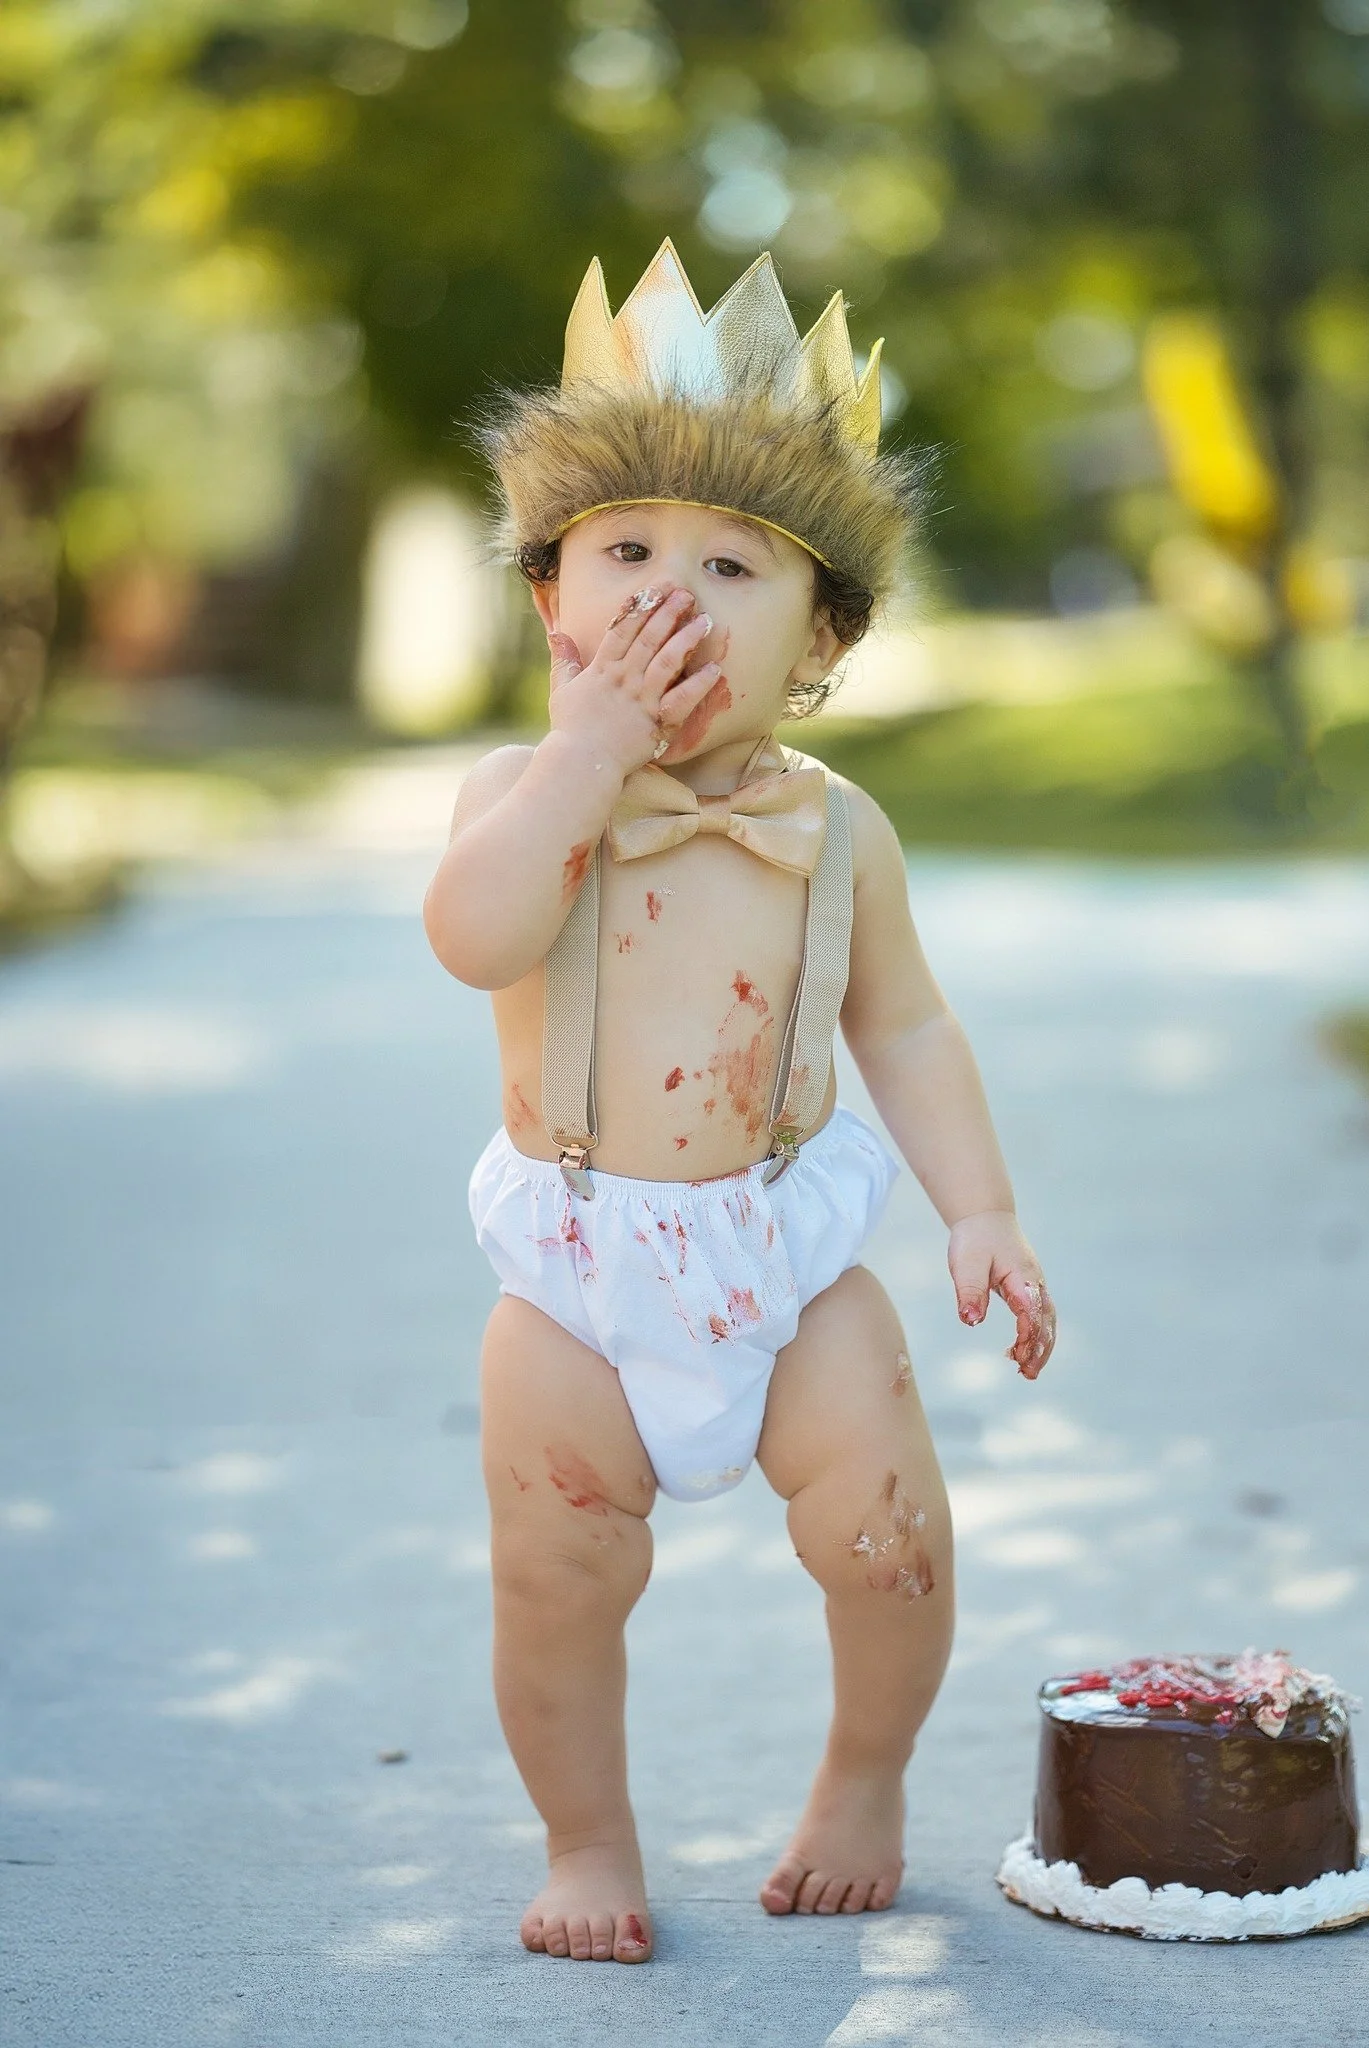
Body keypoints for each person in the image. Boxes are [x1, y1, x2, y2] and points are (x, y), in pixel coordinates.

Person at [423, 239, 1056, 1967]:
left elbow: (909, 1030)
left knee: (889, 1536)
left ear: (824, 638)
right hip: (573, 1277)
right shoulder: (519, 790)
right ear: (551, 600)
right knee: (555, 1576)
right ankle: (586, 1837)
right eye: (623, 553)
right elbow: (472, 938)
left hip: (781, 1263)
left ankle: (864, 1779)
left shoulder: (838, 830)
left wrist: (980, 1210)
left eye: (729, 565)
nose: (668, 597)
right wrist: (580, 759)